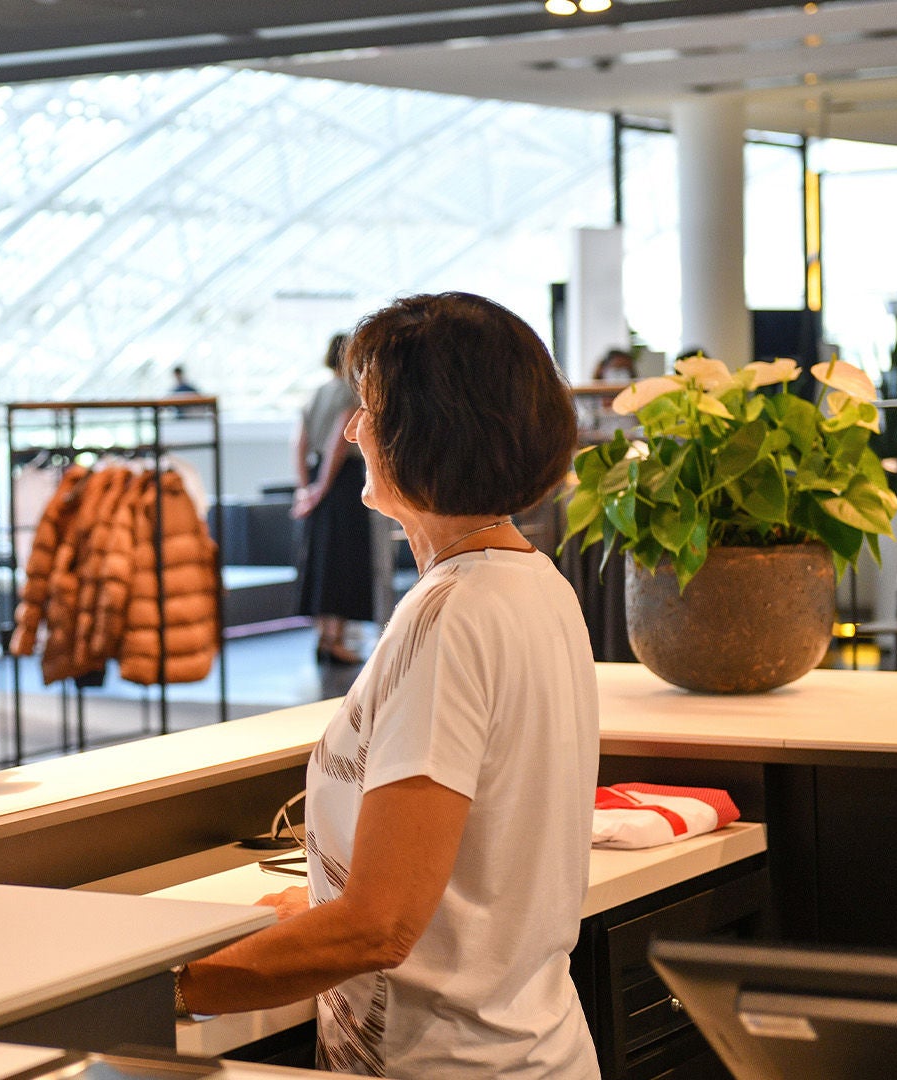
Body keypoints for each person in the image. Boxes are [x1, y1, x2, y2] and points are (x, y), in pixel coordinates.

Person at [178, 293, 599, 1080]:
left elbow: (380, 927)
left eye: (368, 407)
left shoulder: (450, 614)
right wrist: (309, 913)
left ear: (424, 431)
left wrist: (163, 987)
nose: (352, 428)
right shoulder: (533, 583)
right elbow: (470, 869)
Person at [292, 333, 375, 665]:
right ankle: (335, 639)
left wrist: (306, 488)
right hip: (341, 483)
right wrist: (325, 486)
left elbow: (298, 442)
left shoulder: (317, 393)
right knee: (342, 560)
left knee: (321, 559)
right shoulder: (350, 393)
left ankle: (323, 637)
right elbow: (341, 441)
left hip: (317, 481)